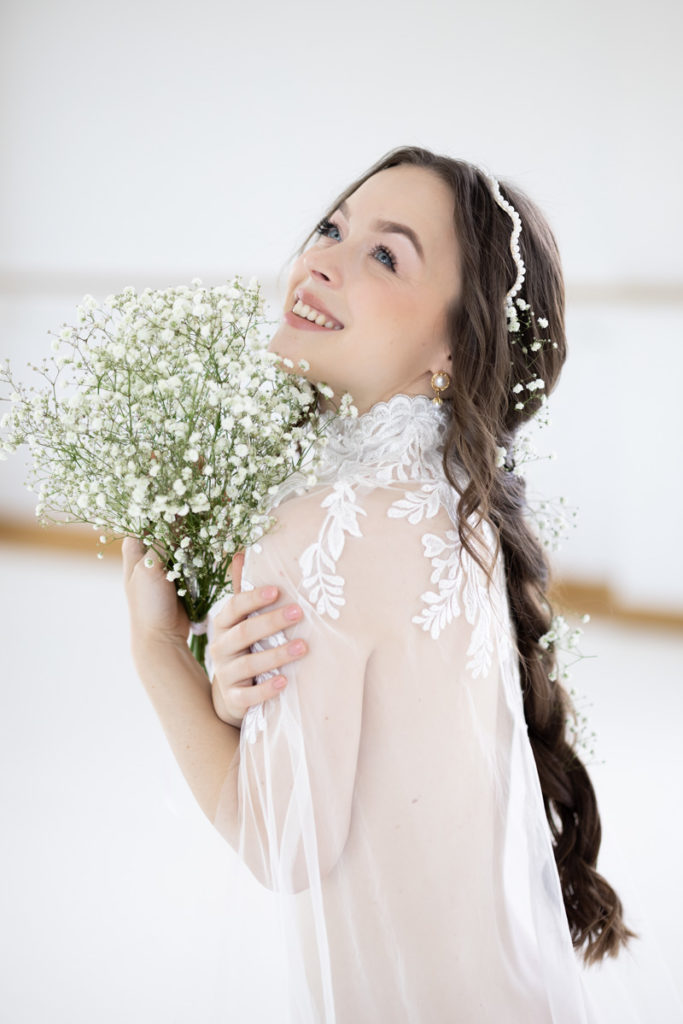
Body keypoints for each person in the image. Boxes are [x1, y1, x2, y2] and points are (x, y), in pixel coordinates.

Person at [122, 145, 639, 1022]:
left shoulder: (330, 522)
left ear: (453, 345)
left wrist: (158, 648)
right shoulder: (447, 496)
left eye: (385, 253)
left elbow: (280, 842)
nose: (321, 256)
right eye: (333, 226)